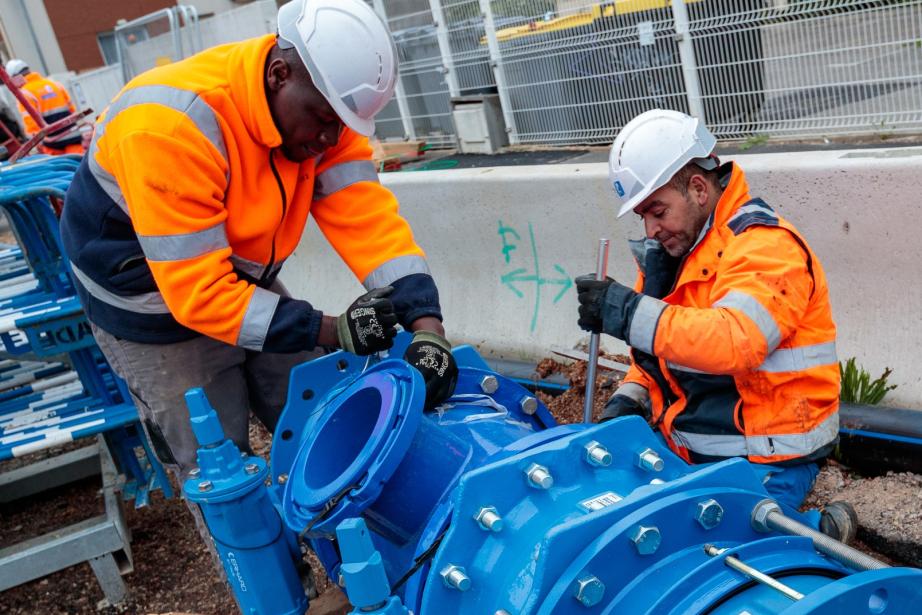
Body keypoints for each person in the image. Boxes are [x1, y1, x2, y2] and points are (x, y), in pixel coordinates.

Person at [60, 0, 458, 478]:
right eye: (322, 119)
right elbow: (199, 294)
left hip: (232, 273)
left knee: (324, 413)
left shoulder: (329, 111)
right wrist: (331, 330)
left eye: (343, 127)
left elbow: (368, 220)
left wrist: (428, 328)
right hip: (145, 297)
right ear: (278, 73)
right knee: (220, 468)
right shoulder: (171, 126)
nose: (330, 139)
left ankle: (345, 538)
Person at [575, 109, 856, 541]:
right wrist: (630, 401)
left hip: (770, 457)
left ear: (700, 189)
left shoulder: (766, 247)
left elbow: (735, 340)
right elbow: (653, 356)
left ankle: (821, 532)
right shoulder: (671, 254)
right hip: (693, 449)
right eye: (643, 216)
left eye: (658, 211)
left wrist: (627, 313)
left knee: (716, 547)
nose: (651, 229)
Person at [4, 58, 85, 155]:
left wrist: (35, 145)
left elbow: (31, 125)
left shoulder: (24, 93)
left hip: (52, 143)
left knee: (60, 169)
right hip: (73, 136)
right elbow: (72, 111)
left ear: (15, 76)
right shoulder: (55, 85)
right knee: (78, 164)